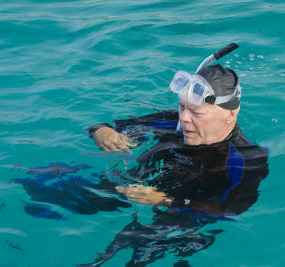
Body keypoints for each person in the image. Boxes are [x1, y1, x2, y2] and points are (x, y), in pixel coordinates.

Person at [86, 64, 269, 216]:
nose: (183, 118)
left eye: (196, 113)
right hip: (131, 189)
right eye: (182, 107)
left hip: (183, 221)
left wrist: (166, 201)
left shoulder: (247, 158)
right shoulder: (172, 121)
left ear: (229, 115)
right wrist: (102, 132)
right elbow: (116, 127)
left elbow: (229, 210)